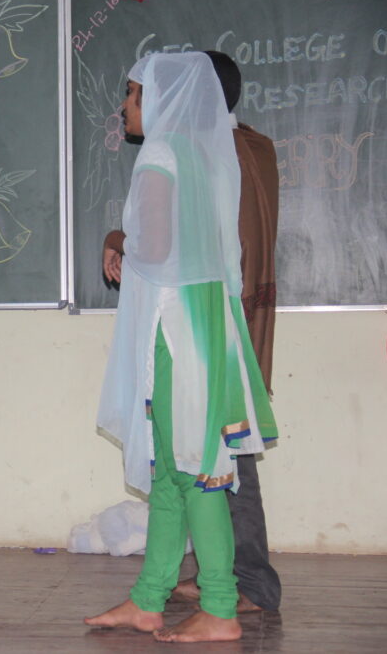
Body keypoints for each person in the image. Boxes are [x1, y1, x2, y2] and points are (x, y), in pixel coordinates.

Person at [85, 52, 277, 643]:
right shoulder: (206, 157)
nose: (125, 105)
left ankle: (219, 607)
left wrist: (123, 243)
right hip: (203, 327)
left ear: (162, 99)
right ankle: (149, 599)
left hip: (177, 334)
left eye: (133, 93)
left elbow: (157, 250)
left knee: (196, 472)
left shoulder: (162, 155)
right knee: (171, 472)